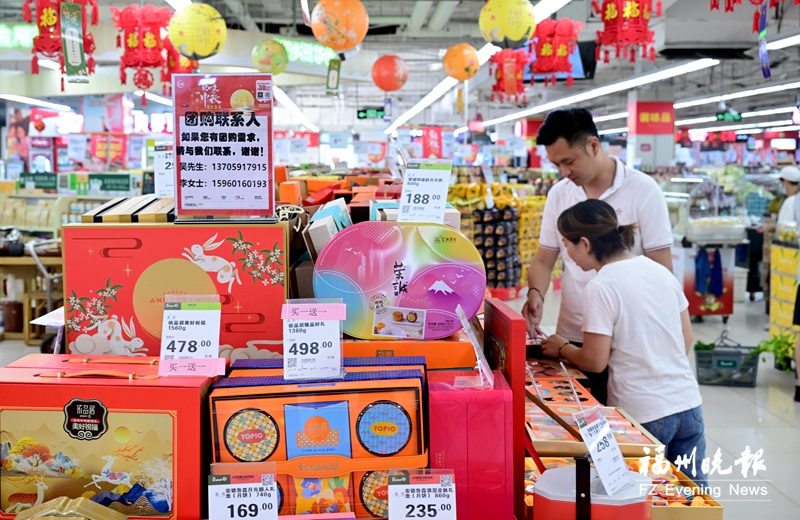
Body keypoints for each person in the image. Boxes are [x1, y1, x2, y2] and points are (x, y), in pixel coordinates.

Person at [541, 199, 707, 484]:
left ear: (584, 243)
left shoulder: (601, 285)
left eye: (567, 245)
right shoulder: (660, 272)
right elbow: (686, 337)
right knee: (690, 500)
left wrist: (563, 347)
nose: (567, 253)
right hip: (688, 404)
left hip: (642, 412)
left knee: (640, 498)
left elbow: (595, 360)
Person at [523, 108, 674, 404]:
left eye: (569, 161)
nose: (564, 172)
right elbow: (544, 258)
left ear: (593, 145)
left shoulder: (643, 190)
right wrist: (535, 292)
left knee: (626, 425)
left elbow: (662, 269)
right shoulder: (560, 194)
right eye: (556, 164)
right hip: (574, 333)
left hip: (629, 337)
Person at [756, 165, 800, 232]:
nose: (782, 186)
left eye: (781, 183)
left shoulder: (790, 201)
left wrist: (770, 227)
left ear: (786, 182)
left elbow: (784, 228)